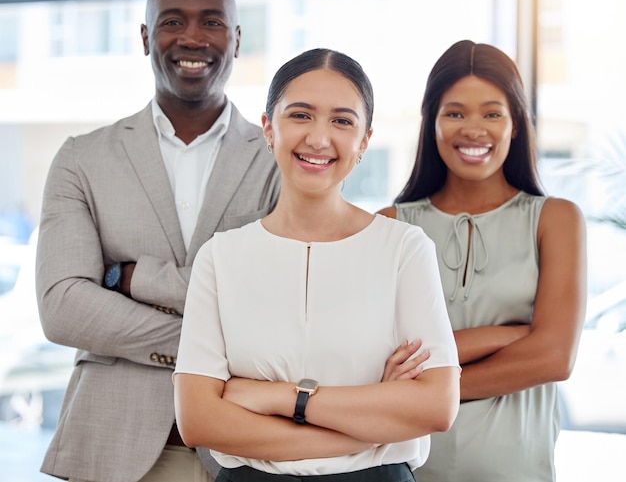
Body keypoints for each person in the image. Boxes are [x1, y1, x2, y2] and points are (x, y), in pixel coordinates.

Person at [36, 0, 280, 482]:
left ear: (237, 40)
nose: (192, 37)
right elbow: (62, 308)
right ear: (146, 37)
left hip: (250, 452)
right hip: (111, 449)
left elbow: (282, 301)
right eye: (173, 21)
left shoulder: (280, 161)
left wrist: (130, 280)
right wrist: (213, 344)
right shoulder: (82, 160)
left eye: (212, 22)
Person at [173, 47, 461, 482]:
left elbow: (437, 407)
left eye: (342, 121)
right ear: (269, 128)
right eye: (300, 115)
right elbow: (198, 420)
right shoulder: (221, 257)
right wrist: (371, 418)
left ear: (364, 140)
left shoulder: (403, 248)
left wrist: (281, 398)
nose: (319, 139)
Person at [378, 40, 587, 482]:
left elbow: (552, 357)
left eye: (492, 113)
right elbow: (373, 360)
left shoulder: (556, 219)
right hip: (404, 470)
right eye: (454, 113)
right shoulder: (390, 226)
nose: (473, 129)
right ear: (431, 123)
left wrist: (427, 388)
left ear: (515, 125)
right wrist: (507, 335)